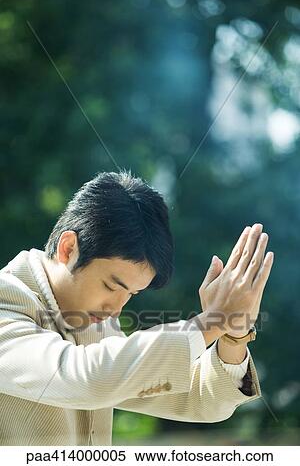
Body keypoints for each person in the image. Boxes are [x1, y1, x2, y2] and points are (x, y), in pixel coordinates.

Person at [0, 170, 273, 446]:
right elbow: (82, 377)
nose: (116, 308)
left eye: (131, 294)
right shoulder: (5, 300)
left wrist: (233, 333)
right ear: (69, 248)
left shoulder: (94, 322)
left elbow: (199, 401)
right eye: (111, 286)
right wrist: (212, 322)